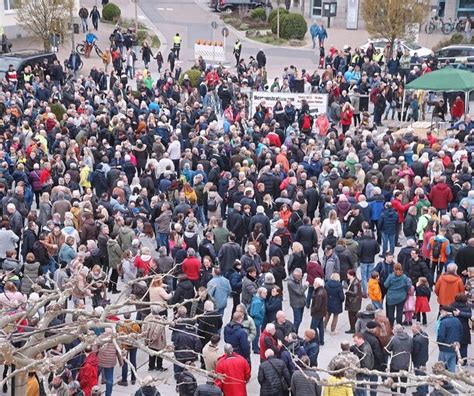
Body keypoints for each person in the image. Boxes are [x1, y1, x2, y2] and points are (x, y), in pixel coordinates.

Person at [385, 325, 413, 394]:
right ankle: (403, 393)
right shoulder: (410, 338)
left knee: (394, 379)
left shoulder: (393, 339)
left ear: (395, 331)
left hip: (395, 363)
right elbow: (412, 349)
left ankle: (394, 393)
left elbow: (386, 349)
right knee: (404, 379)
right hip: (406, 363)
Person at [437, 305, 462, 373]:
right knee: (452, 367)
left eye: (441, 311)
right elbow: (461, 333)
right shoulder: (457, 321)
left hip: (444, 348)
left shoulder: (444, 322)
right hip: (454, 348)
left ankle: (443, 381)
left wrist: (439, 345)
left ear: (446, 312)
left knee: (441, 368)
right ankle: (451, 382)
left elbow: (441, 336)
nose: (440, 313)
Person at [287, 268, 307, 333]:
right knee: (297, 320)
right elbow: (300, 292)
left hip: (301, 302)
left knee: (299, 320)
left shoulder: (298, 279)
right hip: (296, 304)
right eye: (300, 276)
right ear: (296, 275)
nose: (301, 277)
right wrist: (306, 286)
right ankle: (293, 333)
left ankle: (295, 333)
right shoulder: (291, 282)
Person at [310, 277, 327, 345]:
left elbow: (317, 306)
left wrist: (312, 311)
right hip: (321, 313)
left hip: (317, 313)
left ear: (318, 284)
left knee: (313, 327)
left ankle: (316, 340)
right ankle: (321, 340)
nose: (313, 284)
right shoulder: (322, 290)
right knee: (320, 327)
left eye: (314, 283)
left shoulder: (319, 293)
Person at [345, 269, 362, 334]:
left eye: (348, 275)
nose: (347, 277)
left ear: (352, 275)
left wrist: (347, 292)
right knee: (354, 316)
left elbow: (355, 293)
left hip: (353, 302)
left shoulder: (355, 283)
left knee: (352, 316)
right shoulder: (354, 281)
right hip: (355, 302)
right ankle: (355, 328)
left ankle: (353, 329)